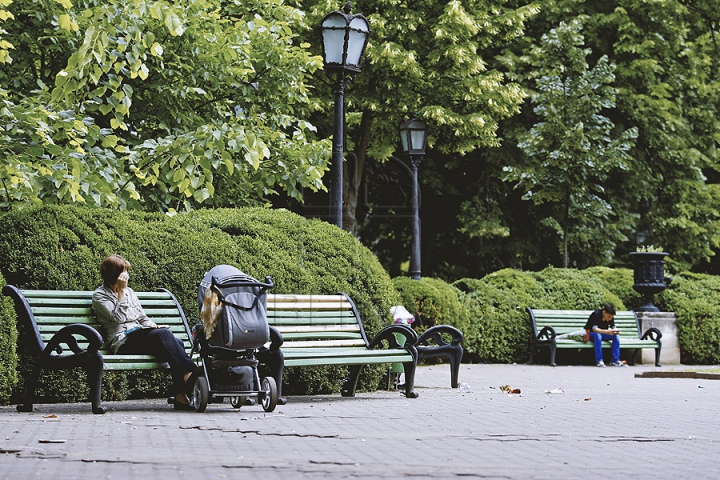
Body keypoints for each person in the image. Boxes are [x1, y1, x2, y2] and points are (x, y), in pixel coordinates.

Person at [92, 254, 198, 410]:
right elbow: (119, 318)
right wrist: (121, 292)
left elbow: (142, 317)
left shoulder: (130, 292)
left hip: (140, 336)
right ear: (114, 274)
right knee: (166, 337)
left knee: (177, 342)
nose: (126, 275)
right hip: (123, 342)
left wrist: (152, 326)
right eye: (123, 272)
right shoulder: (100, 296)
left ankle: (181, 397)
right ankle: (189, 376)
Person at [584, 303, 627, 367]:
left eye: (612, 317)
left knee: (615, 336)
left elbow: (613, 326)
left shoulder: (610, 316)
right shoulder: (595, 314)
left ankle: (615, 360)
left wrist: (615, 331)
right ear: (604, 312)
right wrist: (607, 332)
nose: (610, 319)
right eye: (609, 316)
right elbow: (595, 329)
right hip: (590, 333)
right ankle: (599, 360)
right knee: (597, 335)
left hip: (602, 334)